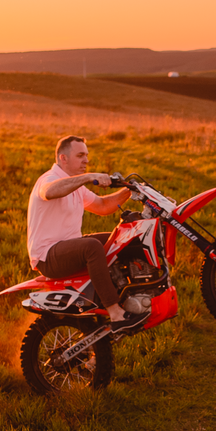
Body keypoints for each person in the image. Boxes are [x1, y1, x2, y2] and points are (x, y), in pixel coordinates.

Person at [27, 135, 144, 331]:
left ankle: (137, 296)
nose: (86, 160)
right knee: (92, 247)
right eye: (80, 155)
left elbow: (103, 205)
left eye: (86, 155)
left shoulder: (75, 186)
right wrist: (89, 177)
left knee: (123, 238)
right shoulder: (49, 179)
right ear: (63, 158)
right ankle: (115, 313)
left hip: (67, 248)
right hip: (47, 256)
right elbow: (50, 192)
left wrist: (130, 190)